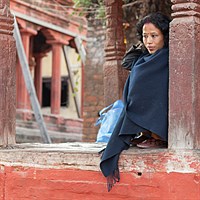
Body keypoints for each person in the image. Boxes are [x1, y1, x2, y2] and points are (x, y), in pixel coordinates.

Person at [100, 12, 171, 192]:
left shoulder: (169, 57)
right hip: (138, 108)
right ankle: (146, 133)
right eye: (145, 36)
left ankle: (158, 136)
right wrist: (141, 46)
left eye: (154, 36)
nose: (149, 41)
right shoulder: (143, 58)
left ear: (165, 35)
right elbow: (127, 62)